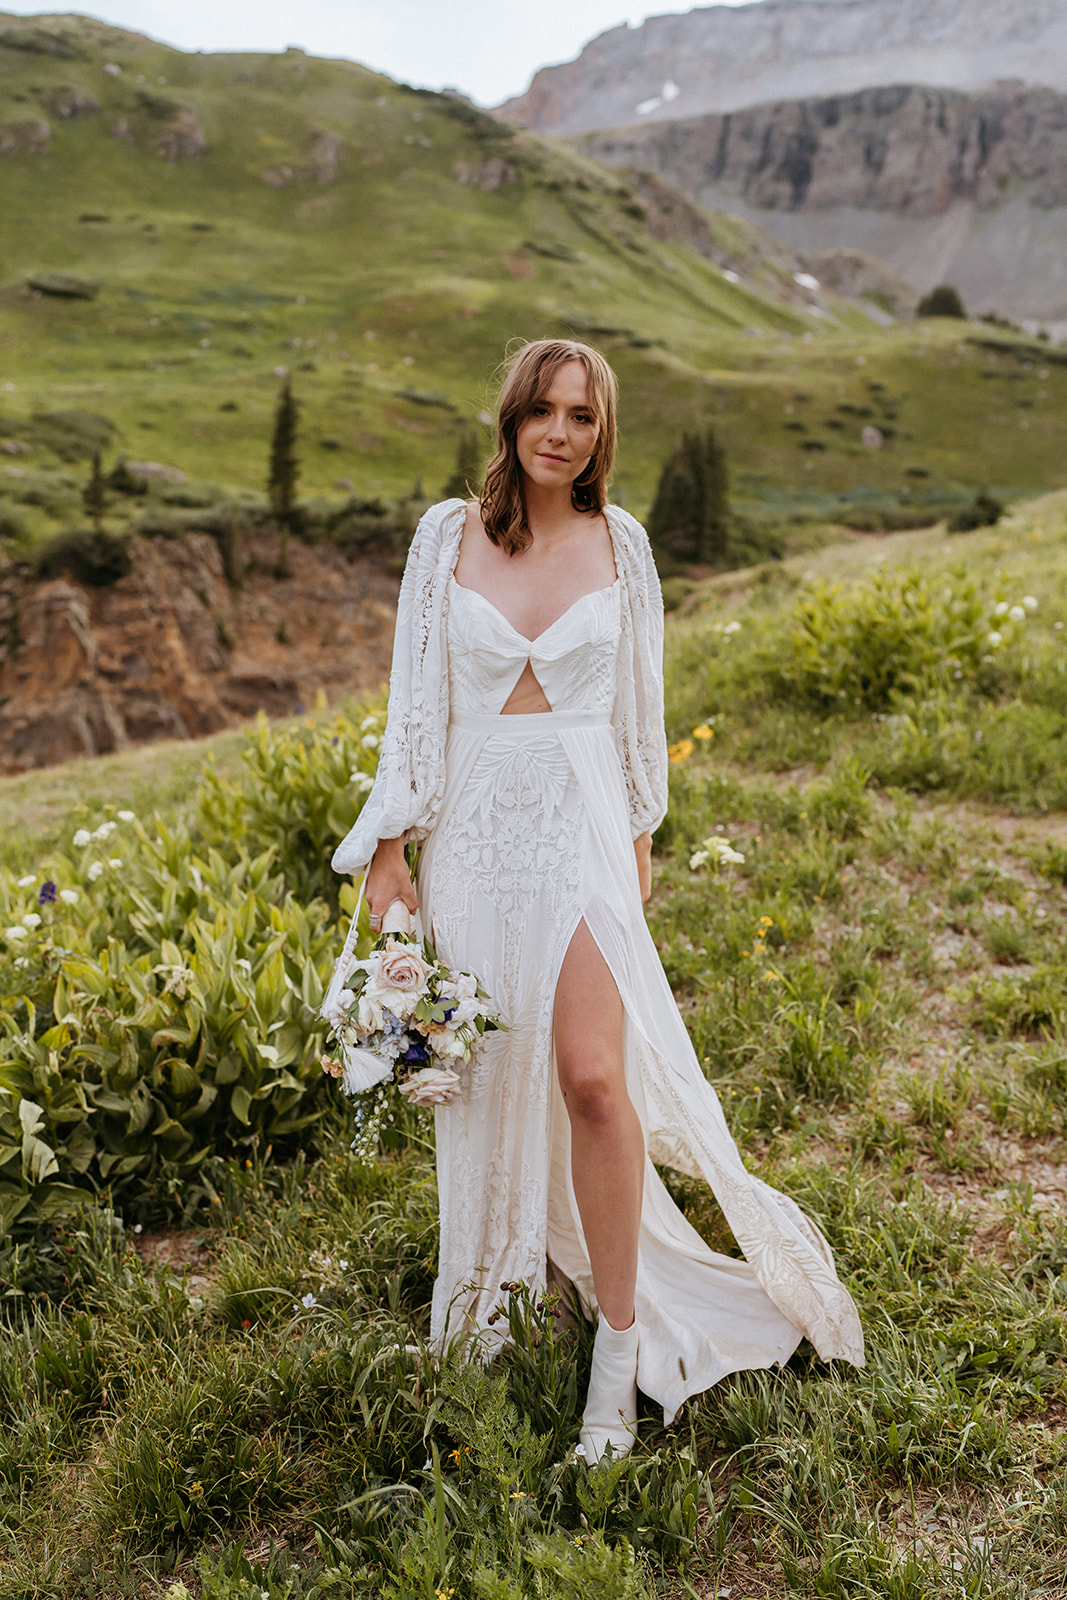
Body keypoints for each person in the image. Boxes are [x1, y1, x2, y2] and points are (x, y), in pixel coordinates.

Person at [330, 338, 864, 1464]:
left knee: (588, 1077)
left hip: (579, 829)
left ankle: (614, 1367)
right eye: (541, 411)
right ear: (511, 419)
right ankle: (506, 1295)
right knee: (475, 1084)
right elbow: (410, 708)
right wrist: (389, 850)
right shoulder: (445, 539)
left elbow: (634, 722)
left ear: (601, 431)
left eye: (581, 414)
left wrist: (634, 849)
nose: (559, 432)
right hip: (472, 831)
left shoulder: (620, 544)